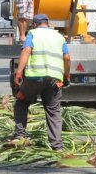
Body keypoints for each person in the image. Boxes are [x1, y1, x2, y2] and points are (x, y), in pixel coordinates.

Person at [12, 13, 70, 149]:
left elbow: (26, 50)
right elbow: (66, 58)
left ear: (34, 24)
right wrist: (66, 76)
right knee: (53, 110)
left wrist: (19, 72)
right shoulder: (59, 36)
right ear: (48, 23)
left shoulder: (32, 33)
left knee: (21, 100)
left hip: (34, 77)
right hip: (54, 79)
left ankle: (19, 136)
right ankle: (57, 145)